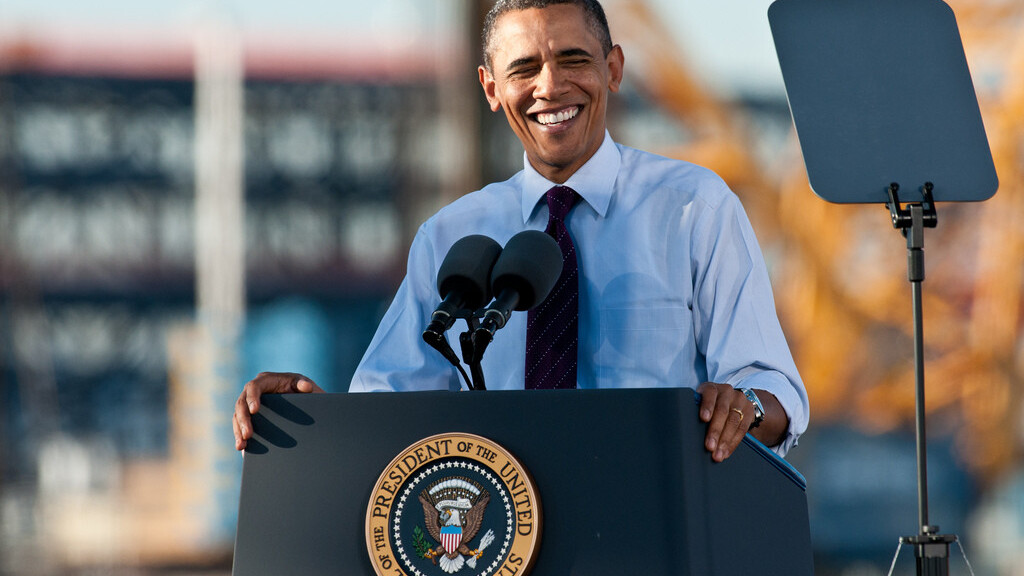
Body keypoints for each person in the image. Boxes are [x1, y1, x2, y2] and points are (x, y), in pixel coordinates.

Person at [234, 0, 808, 463]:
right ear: (490, 88)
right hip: (499, 537)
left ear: (613, 69)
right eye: (524, 68)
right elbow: (389, 409)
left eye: (574, 60)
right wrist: (314, 418)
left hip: (648, 522)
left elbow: (772, 386)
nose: (550, 86)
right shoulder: (449, 235)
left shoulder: (695, 208)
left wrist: (747, 406)